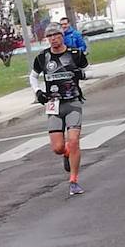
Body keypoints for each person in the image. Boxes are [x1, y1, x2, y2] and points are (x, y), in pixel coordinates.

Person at [31, 23, 90, 196]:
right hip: (53, 104)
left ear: (62, 36)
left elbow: (90, 71)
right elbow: (33, 77)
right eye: (50, 37)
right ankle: (66, 153)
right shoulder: (43, 57)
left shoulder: (75, 54)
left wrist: (82, 75)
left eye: (56, 35)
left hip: (72, 102)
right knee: (57, 147)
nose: (53, 39)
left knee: (73, 141)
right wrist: (38, 92)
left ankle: (73, 181)